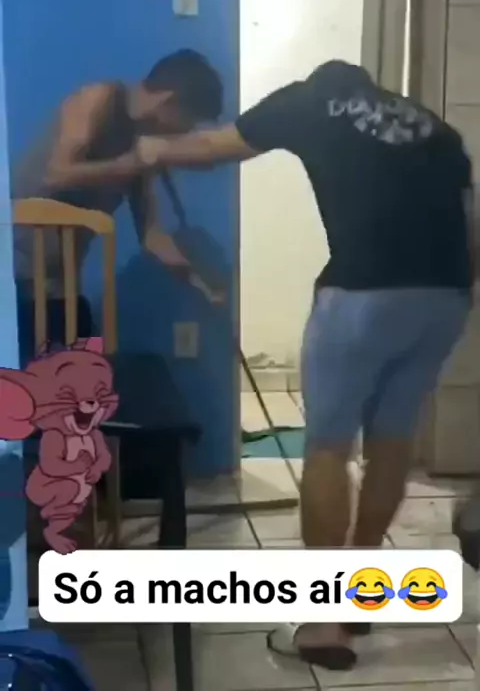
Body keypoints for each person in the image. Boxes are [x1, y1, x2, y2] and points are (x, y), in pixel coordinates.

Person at [134, 60, 473, 669]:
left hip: (361, 296)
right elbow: (474, 232)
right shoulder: (432, 126)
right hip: (445, 297)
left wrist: (152, 148)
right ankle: (359, 595)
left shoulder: (311, 100)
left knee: (328, 449)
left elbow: (212, 148)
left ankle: (322, 625)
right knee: (392, 441)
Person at [11, 49, 224, 364]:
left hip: (57, 286)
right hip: (13, 278)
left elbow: (151, 235)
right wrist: (132, 163)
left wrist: (201, 283)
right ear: (168, 101)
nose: (185, 133)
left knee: (88, 371)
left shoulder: (141, 147)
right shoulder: (97, 100)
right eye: (188, 123)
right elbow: (55, 174)